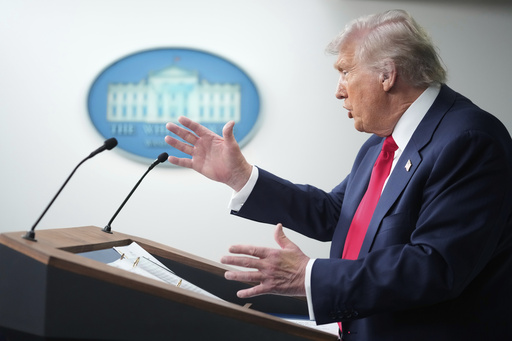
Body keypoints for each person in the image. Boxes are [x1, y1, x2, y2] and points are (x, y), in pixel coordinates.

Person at [164, 9, 512, 341]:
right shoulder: (382, 143)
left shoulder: (469, 140)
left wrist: (310, 276)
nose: (338, 89)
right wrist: (241, 176)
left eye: (345, 71)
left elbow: (435, 266)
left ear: (387, 75)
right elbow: (336, 213)